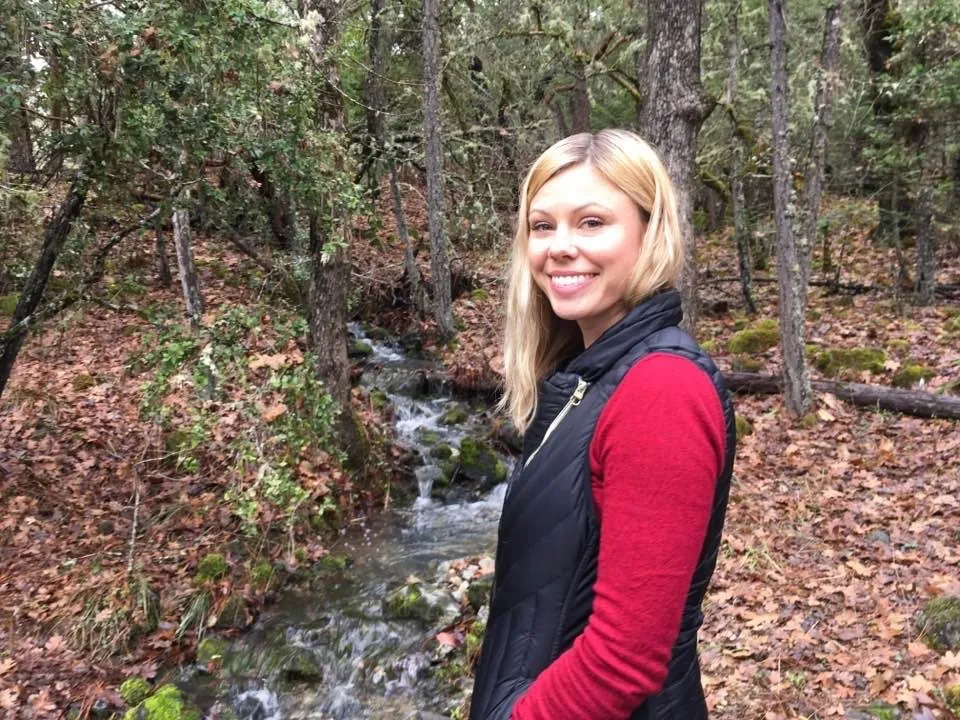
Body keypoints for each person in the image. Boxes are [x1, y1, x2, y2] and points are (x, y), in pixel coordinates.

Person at [469, 129, 735, 720]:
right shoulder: (586, 377)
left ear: (649, 231)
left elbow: (623, 662)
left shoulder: (661, 389)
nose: (560, 246)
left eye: (592, 222)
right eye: (543, 226)